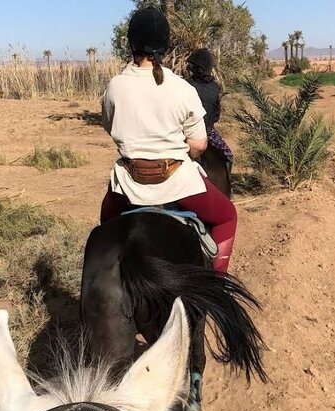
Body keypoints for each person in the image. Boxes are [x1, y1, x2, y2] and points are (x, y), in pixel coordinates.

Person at [99, 7, 237, 273]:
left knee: (105, 227)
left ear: (130, 43)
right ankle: (216, 285)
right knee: (227, 217)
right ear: (165, 45)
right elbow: (199, 145)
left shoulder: (114, 86)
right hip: (177, 182)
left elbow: (110, 126)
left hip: (128, 183)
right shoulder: (181, 88)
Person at [185, 48, 235, 173]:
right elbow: (217, 115)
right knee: (228, 156)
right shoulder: (215, 87)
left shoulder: (184, 85)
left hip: (186, 134)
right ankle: (227, 189)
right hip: (208, 133)